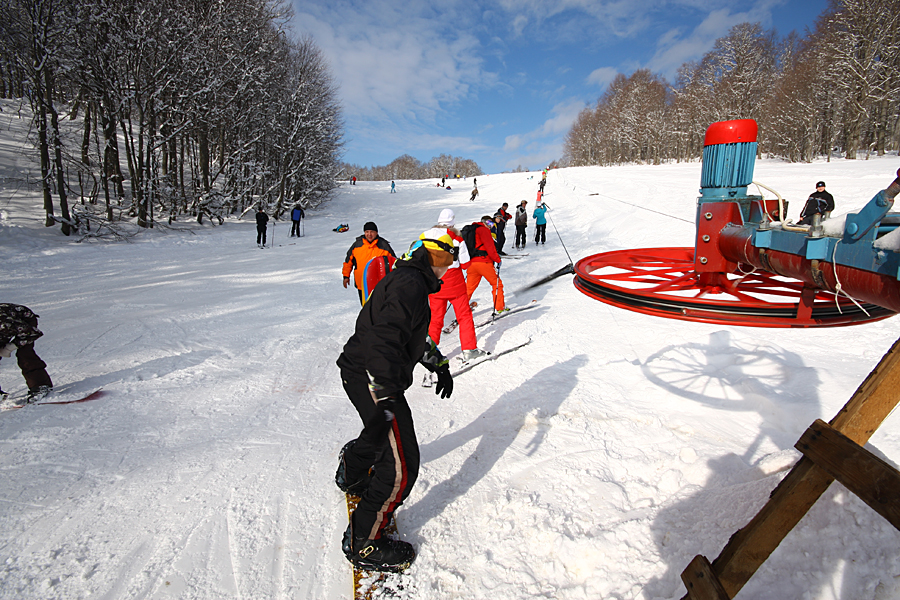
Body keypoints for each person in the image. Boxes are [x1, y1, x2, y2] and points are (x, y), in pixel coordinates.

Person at [334, 238, 455, 572]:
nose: (448, 265)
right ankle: (363, 543)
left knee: (381, 436)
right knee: (401, 463)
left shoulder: (409, 279)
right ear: (430, 258)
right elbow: (385, 338)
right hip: (374, 376)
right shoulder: (410, 285)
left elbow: (408, 334)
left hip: (362, 371)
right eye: (444, 257)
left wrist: (438, 364)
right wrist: (385, 391)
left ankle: (353, 468)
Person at [422, 209, 487, 363]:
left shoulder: (426, 236)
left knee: (436, 319)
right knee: (464, 317)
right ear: (452, 222)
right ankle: (469, 349)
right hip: (455, 284)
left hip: (434, 282)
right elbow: (465, 264)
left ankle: (430, 352)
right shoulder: (457, 238)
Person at [0, 304, 53, 401]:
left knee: (25, 354)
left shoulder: (4, 323)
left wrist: (9, 348)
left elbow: (33, 333)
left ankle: (41, 386)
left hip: (24, 321)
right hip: (6, 328)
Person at [342, 222, 397, 306]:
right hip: (362, 284)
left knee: (379, 308)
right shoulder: (357, 245)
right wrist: (346, 276)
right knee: (365, 307)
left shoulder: (383, 245)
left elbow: (394, 263)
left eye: (372, 232)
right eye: (367, 232)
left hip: (379, 285)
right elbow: (348, 262)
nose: (369, 234)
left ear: (376, 233)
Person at [465, 216, 506, 314]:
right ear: (485, 222)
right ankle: (500, 307)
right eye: (490, 223)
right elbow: (490, 248)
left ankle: (462, 308)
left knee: (469, 287)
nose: (490, 226)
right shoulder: (483, 230)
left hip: (472, 264)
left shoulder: (473, 230)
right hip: (484, 262)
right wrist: (498, 259)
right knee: (497, 284)